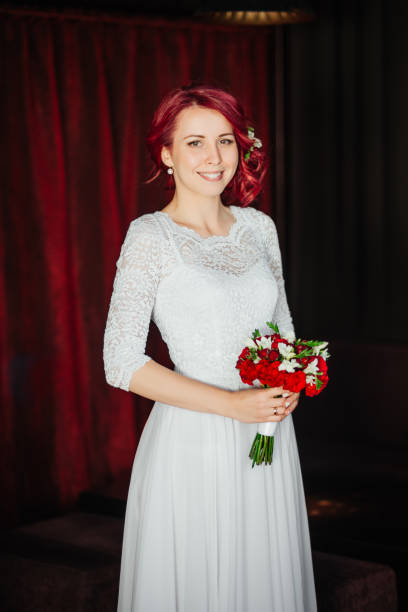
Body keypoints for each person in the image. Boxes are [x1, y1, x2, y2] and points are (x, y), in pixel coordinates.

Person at [103, 83, 317, 612]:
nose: (214, 157)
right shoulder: (150, 237)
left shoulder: (259, 228)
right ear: (166, 154)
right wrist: (231, 405)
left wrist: (288, 385)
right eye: (195, 142)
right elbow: (121, 361)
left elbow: (283, 330)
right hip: (193, 440)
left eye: (225, 140)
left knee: (262, 576)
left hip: (266, 439)